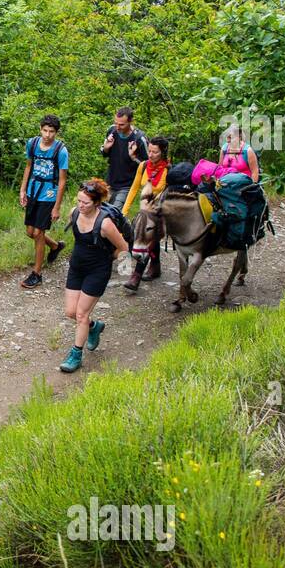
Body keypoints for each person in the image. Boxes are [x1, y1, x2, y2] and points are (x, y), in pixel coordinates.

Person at [60, 179, 130, 374]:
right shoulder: (74, 213)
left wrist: (110, 261)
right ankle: (94, 327)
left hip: (97, 271)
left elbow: (123, 248)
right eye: (79, 201)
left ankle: (76, 355)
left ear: (97, 203)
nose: (81, 206)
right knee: (71, 312)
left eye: (86, 203)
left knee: (81, 314)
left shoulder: (105, 224)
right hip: (76, 267)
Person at [18, 114, 69, 289]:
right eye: (45, 130)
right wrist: (23, 189)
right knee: (30, 232)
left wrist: (57, 207)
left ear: (56, 132)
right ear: (40, 129)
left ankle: (37, 274)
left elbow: (62, 180)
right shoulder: (32, 144)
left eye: (51, 131)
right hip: (33, 189)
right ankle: (55, 246)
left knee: (38, 234)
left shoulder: (60, 151)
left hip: (49, 193)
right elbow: (28, 166)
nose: (47, 135)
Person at [122, 136, 171, 292]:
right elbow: (134, 188)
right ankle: (155, 266)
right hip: (145, 210)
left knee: (148, 237)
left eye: (155, 152)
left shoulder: (169, 169)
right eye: (149, 151)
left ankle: (136, 275)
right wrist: (125, 209)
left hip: (162, 212)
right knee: (141, 236)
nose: (150, 155)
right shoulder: (143, 166)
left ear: (162, 153)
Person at [100, 107, 149, 212]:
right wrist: (106, 148)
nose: (118, 127)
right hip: (110, 181)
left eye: (122, 124)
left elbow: (148, 166)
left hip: (126, 185)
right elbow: (104, 153)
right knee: (102, 212)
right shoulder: (112, 130)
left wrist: (133, 157)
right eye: (116, 123)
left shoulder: (140, 139)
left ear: (131, 122)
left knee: (114, 213)